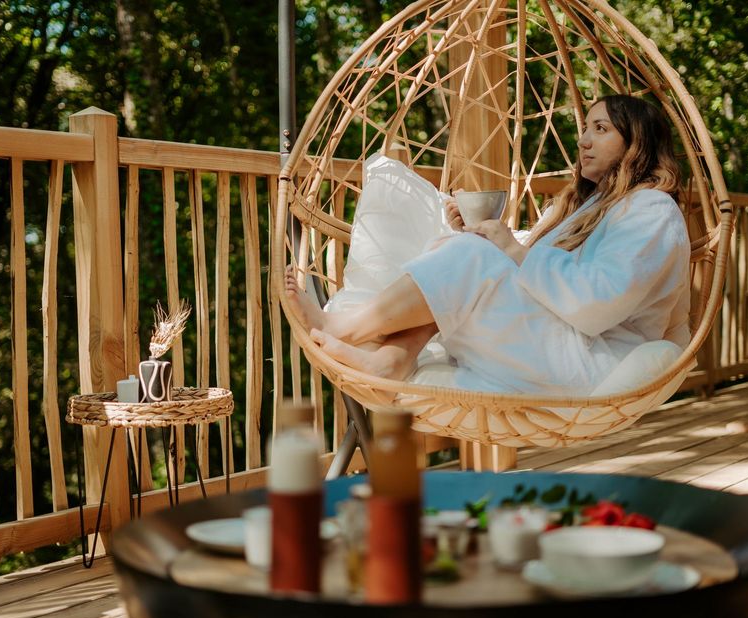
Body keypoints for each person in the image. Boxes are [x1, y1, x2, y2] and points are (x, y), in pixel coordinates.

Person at [286, 94, 690, 395]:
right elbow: (535, 272)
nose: (583, 140)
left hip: (590, 361)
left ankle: (343, 326)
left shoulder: (651, 210)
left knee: (469, 258)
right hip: (557, 343)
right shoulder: (593, 207)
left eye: (601, 129)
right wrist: (482, 235)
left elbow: (598, 300)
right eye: (585, 128)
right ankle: (391, 360)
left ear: (637, 142)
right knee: (459, 250)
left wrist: (507, 250)